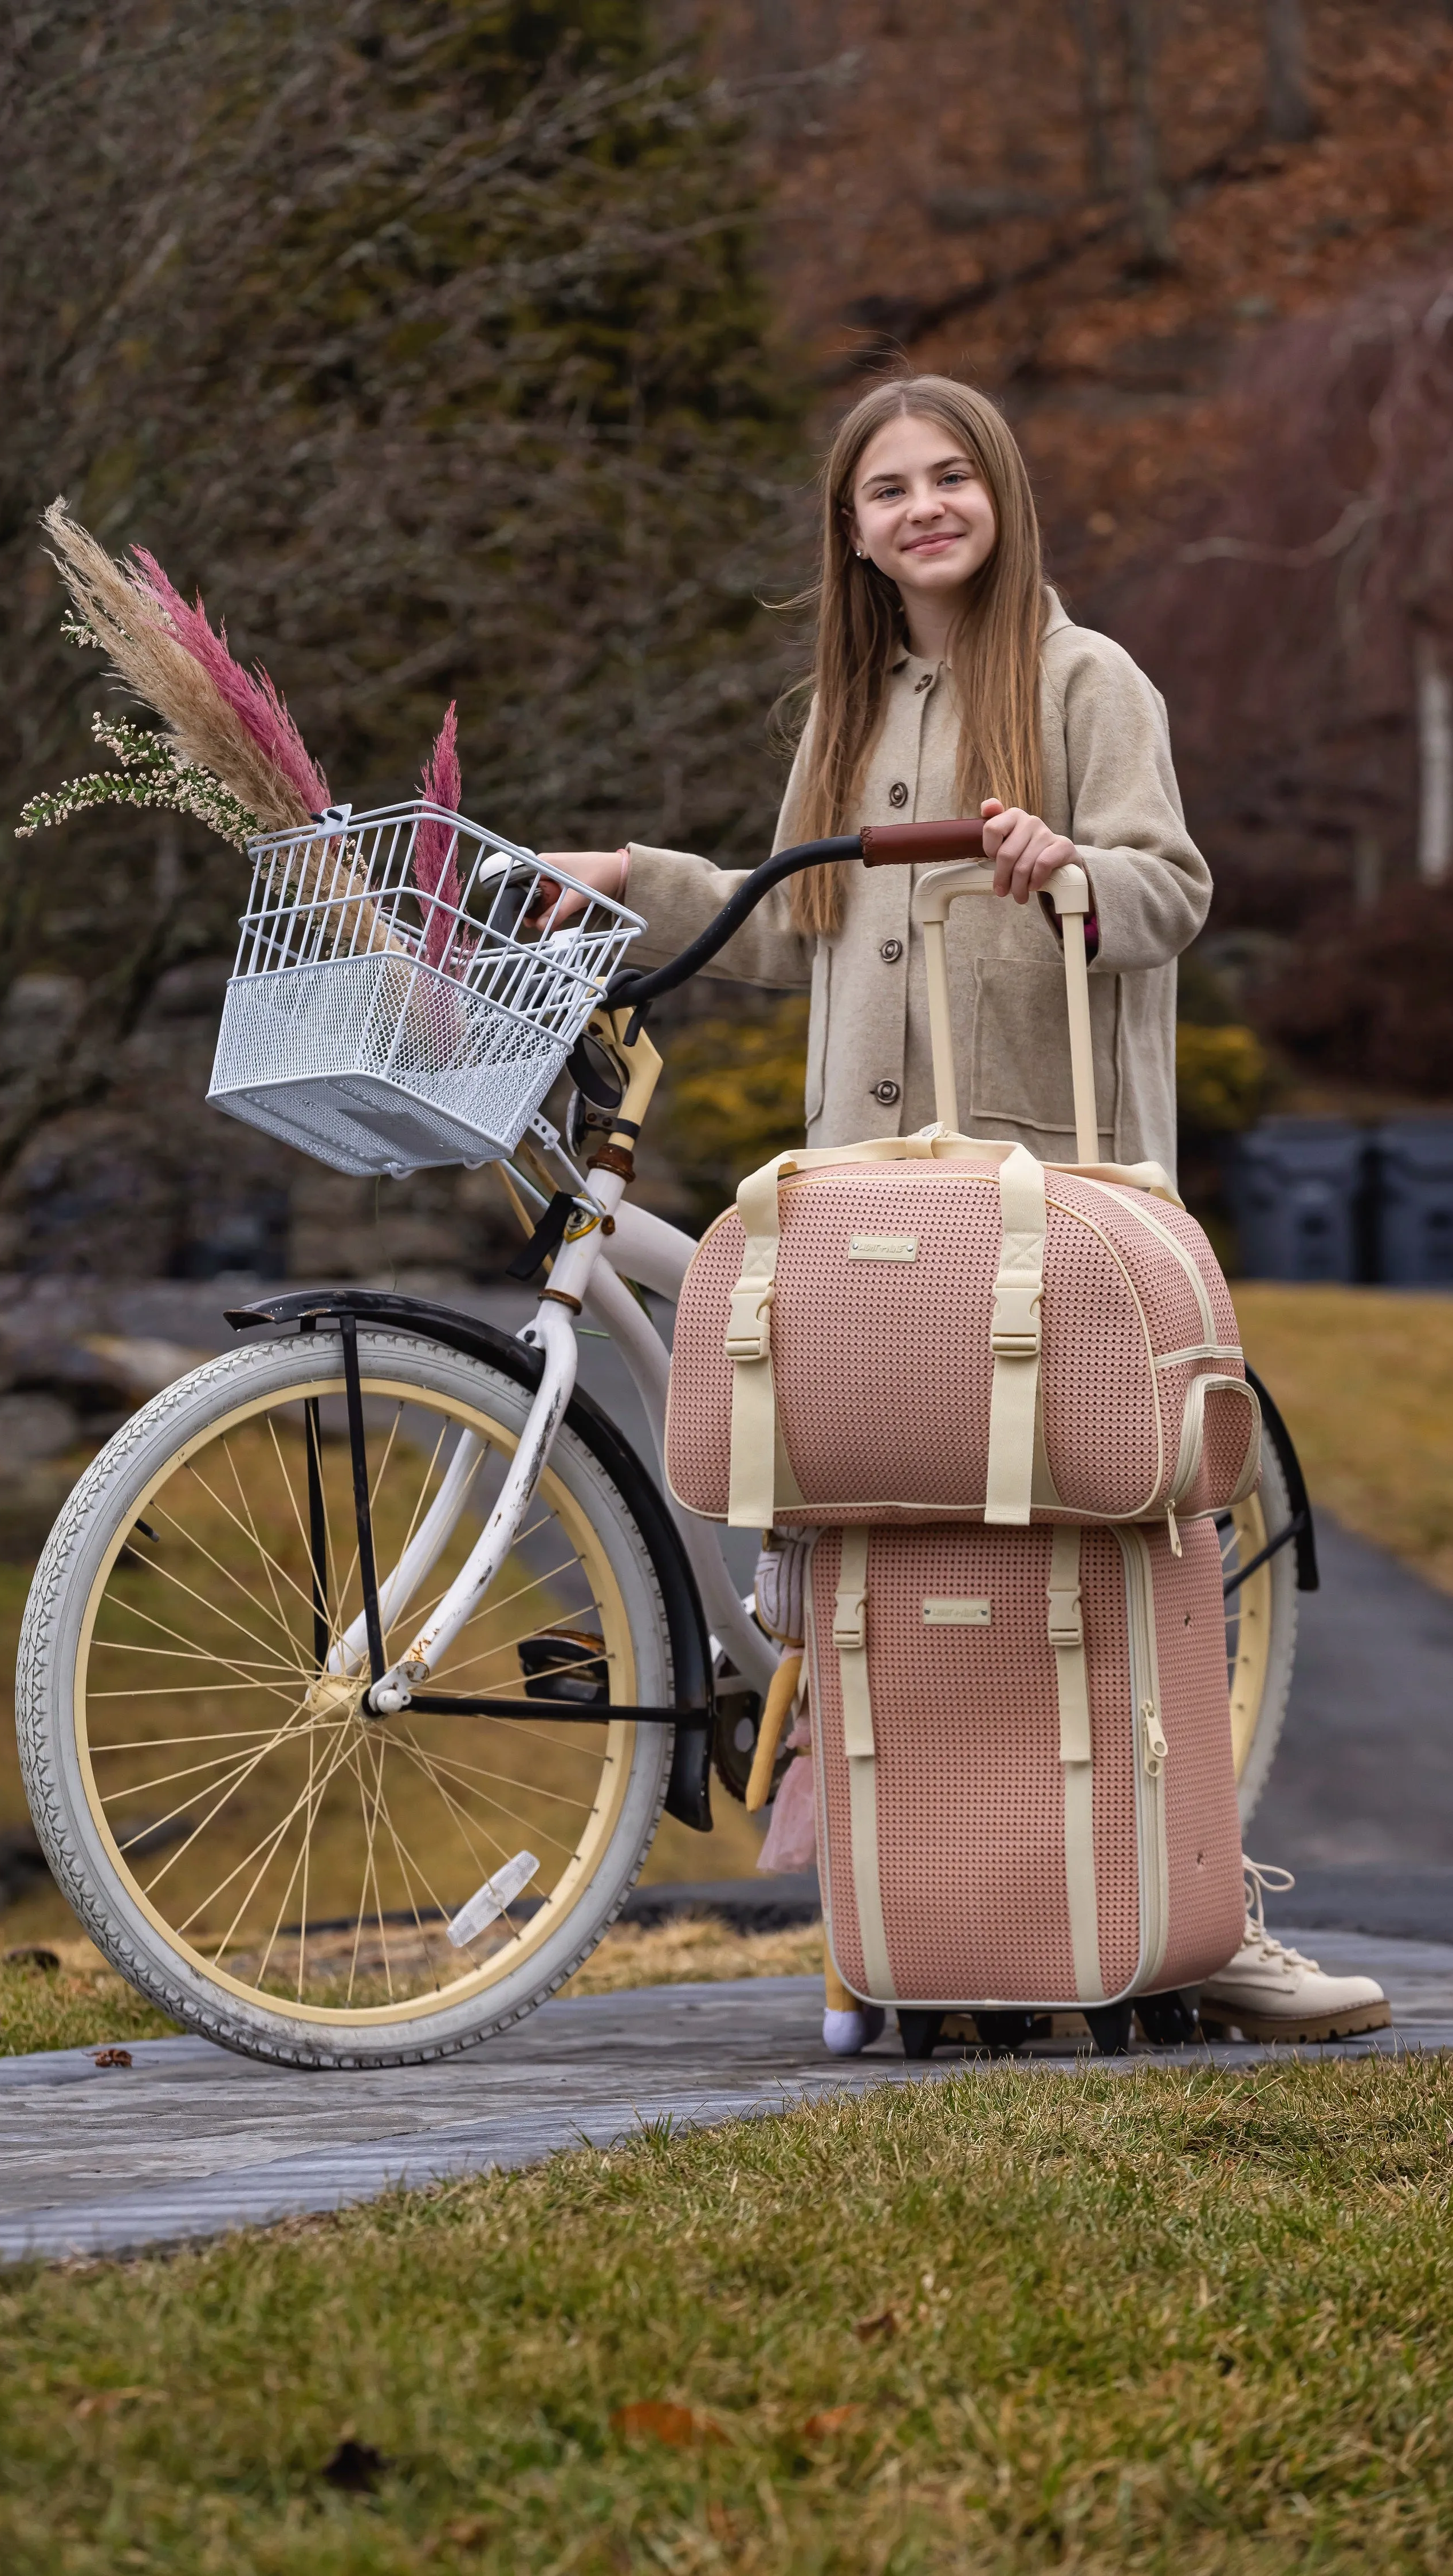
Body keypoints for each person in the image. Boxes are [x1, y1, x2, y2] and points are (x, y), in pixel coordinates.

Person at [540, 370, 1389, 2055]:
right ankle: (948, 1911)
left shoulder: (1089, 682)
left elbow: (1171, 890)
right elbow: (793, 921)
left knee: (1111, 1550)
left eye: (947, 478)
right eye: (885, 490)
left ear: (997, 492)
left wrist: (1067, 863)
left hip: (1046, 1211)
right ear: (851, 533)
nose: (921, 508)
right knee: (904, 1572)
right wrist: (643, 879)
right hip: (874, 1220)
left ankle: (1199, 1910)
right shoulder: (849, 714)